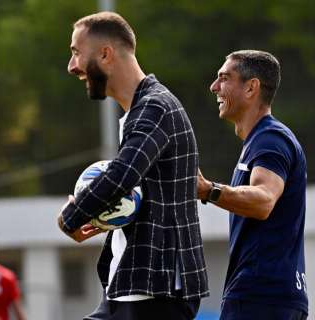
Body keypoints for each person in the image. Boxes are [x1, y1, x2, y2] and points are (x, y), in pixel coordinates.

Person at [58, 12, 208, 319]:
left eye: (76, 52)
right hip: (129, 283)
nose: (72, 66)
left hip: (154, 287)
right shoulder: (140, 110)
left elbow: (121, 176)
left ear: (105, 54)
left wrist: (70, 217)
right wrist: (103, 217)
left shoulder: (155, 107)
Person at [198, 50, 308, 320]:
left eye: (224, 78)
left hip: (260, 296)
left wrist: (207, 190)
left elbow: (263, 200)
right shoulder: (259, 141)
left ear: (251, 87)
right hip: (271, 297)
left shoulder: (270, 138)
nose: (214, 87)